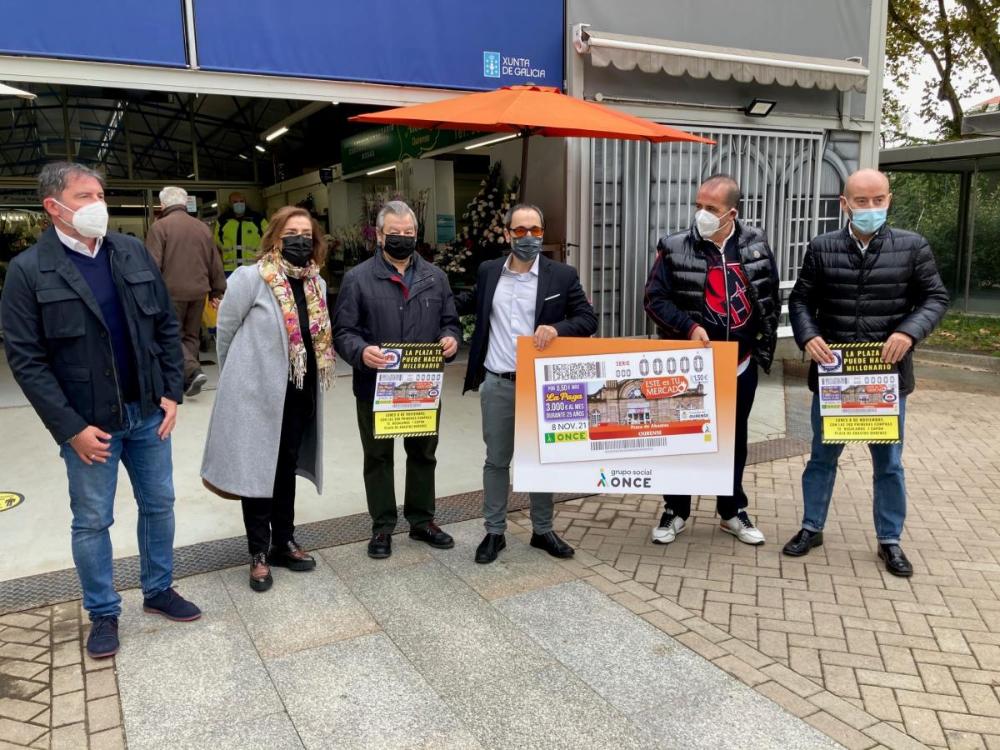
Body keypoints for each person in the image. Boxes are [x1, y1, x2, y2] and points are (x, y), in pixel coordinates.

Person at [1, 162, 200, 659]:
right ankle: (104, 612)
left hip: (148, 412)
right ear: (54, 207)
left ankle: (158, 589)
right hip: (90, 426)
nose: (98, 205)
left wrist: (171, 392)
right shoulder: (29, 271)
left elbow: (166, 327)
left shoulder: (129, 251)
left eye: (100, 195)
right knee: (92, 520)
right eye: (85, 196)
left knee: (160, 504)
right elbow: (26, 360)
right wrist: (70, 429)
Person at [783, 168, 949, 577]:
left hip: (885, 376)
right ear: (845, 204)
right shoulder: (822, 248)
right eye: (861, 201)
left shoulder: (912, 246)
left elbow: (935, 297)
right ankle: (811, 527)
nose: (870, 207)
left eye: (878, 200)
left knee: (889, 463)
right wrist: (808, 336)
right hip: (835, 375)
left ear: (889, 200)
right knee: (822, 457)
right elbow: (801, 300)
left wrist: (908, 332)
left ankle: (890, 540)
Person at [201, 206, 334, 591]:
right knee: (257, 468)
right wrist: (236, 380)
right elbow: (226, 332)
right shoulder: (251, 278)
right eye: (292, 233)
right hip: (255, 393)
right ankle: (258, 551)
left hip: (298, 391)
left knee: (285, 466)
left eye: (306, 235)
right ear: (275, 237)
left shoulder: (317, 284)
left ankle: (284, 541)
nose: (300, 240)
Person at [643, 174, 779, 547]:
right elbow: (654, 299)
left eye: (711, 208)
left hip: (739, 365)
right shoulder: (674, 247)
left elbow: (768, 295)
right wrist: (688, 328)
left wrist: (761, 341)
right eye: (698, 205)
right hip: (691, 368)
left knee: (734, 439)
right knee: (681, 439)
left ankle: (732, 511)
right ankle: (675, 510)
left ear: (731, 213)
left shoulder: (755, 245)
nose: (701, 214)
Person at [461, 203, 597, 564]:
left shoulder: (561, 275)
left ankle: (542, 529)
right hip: (498, 382)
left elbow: (587, 319)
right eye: (520, 230)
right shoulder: (489, 271)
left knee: (541, 458)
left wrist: (557, 328)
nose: (528, 237)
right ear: (507, 234)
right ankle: (494, 531)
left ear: (542, 232)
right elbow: (467, 304)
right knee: (497, 460)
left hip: (542, 385)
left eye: (535, 230)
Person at [333, 200, 462, 560]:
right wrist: (361, 352)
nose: (402, 238)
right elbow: (343, 331)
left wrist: (451, 339)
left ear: (417, 234)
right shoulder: (358, 279)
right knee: (378, 457)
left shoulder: (435, 277)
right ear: (379, 235)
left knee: (423, 453)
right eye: (395, 233)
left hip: (422, 385)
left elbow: (450, 322)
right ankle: (382, 526)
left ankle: (422, 520)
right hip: (375, 385)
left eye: (409, 232)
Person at [146, 186, 226, 397]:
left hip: (170, 293)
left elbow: (152, 264)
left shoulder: (159, 227)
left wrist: (148, 293)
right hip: (199, 291)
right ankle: (188, 379)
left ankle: (191, 371)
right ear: (184, 203)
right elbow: (215, 261)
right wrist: (217, 290)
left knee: (169, 335)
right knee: (191, 336)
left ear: (162, 204)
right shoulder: (202, 228)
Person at [213, 192, 268, 274]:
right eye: (235, 202)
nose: (239, 204)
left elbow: (269, 237)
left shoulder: (257, 219)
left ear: (245, 202)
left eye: (241, 201)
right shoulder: (222, 220)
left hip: (253, 267)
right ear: (230, 204)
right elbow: (217, 242)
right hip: (229, 269)